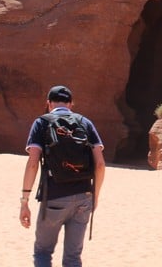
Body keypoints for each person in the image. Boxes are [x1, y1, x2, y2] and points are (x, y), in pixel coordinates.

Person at [19, 85, 106, 267]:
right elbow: (99, 164)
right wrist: (95, 196)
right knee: (73, 258)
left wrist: (24, 201)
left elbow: (33, 162)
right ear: (71, 104)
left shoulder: (41, 123)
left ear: (49, 103)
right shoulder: (85, 123)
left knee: (43, 253)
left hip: (54, 197)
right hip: (84, 196)